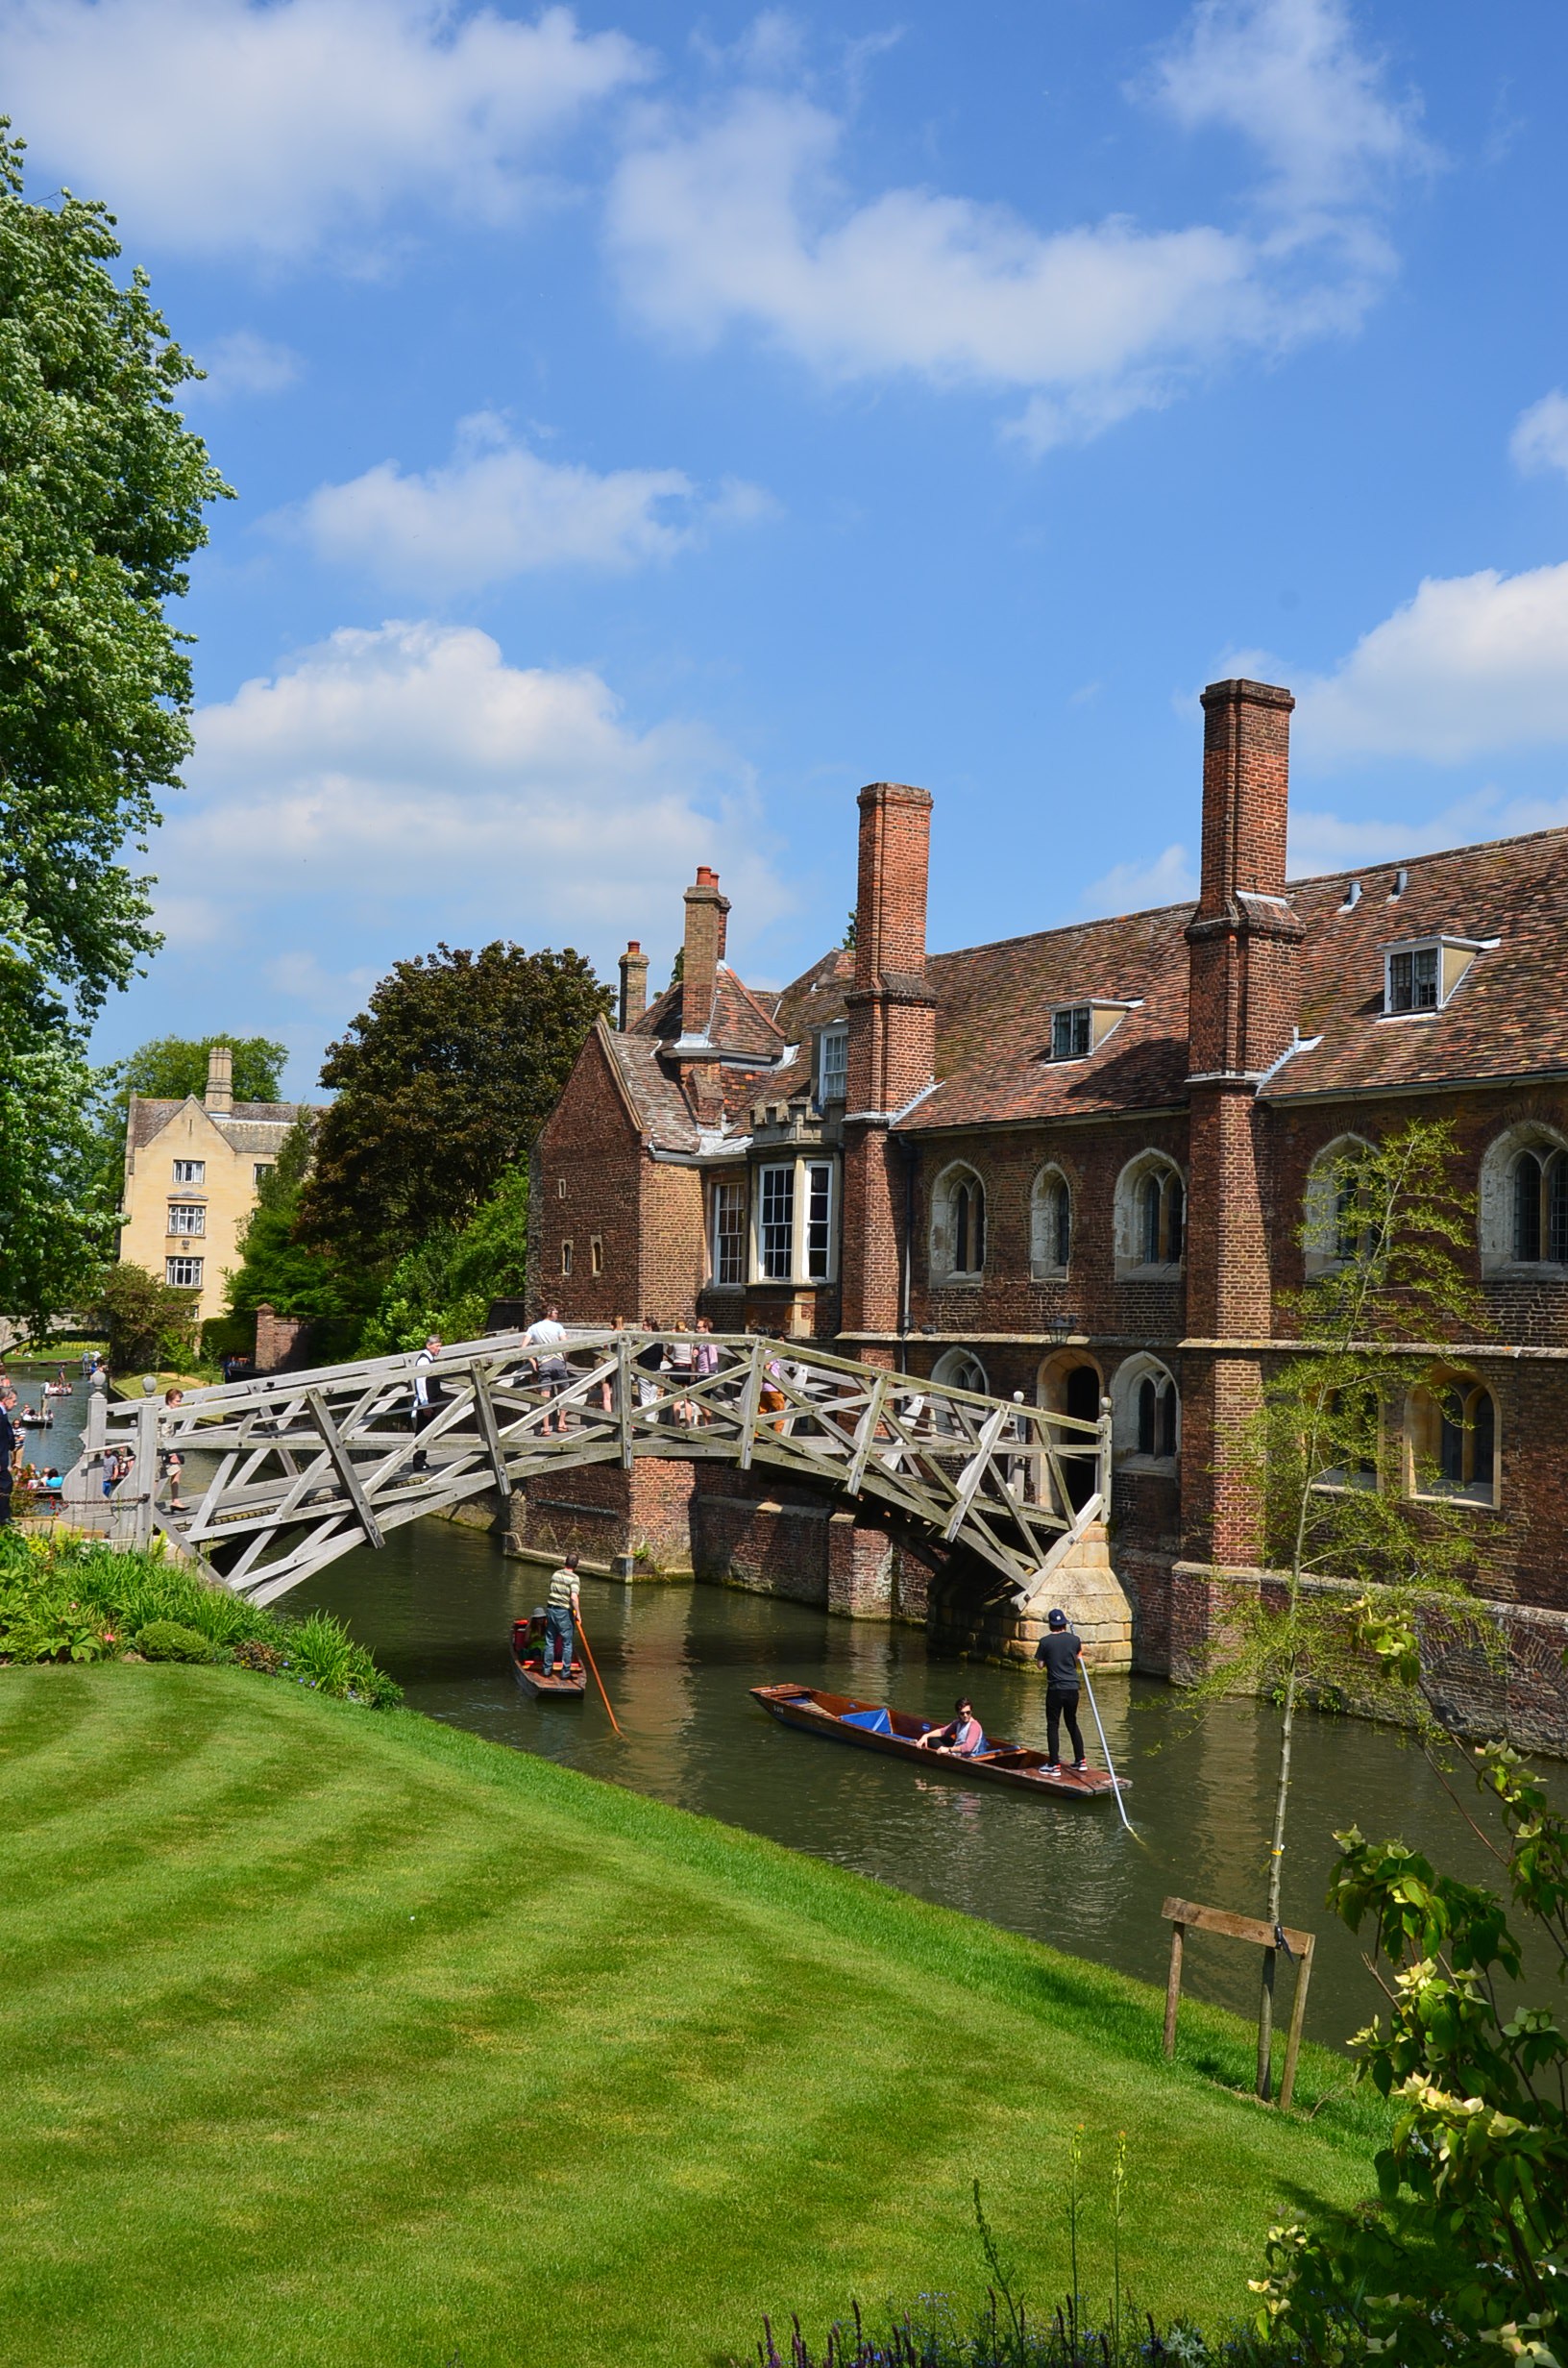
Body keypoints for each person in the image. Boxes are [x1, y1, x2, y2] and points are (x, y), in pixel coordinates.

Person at [1036, 1607, 1088, 1773]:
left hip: (1056, 1688)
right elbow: (1079, 1658)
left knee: (1053, 1724)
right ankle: (1081, 1760)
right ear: (1064, 1624)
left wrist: (1050, 1660)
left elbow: (1039, 1665)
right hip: (1073, 1687)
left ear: (1051, 1625)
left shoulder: (1045, 1642)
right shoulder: (1075, 1639)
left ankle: (1054, 1764)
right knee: (1072, 1722)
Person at [522, 1306, 572, 1435]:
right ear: (549, 1313)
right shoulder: (557, 1327)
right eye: (556, 1312)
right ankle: (561, 1423)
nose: (557, 1314)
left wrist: (533, 1362)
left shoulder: (533, 1328)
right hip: (558, 1362)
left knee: (545, 1397)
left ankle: (546, 1428)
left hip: (543, 1364)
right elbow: (567, 1346)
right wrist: (564, 1360)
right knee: (564, 1393)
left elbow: (523, 1347)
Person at [543, 1551, 580, 1679]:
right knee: (567, 1643)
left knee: (550, 1641)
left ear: (565, 1562)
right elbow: (574, 1598)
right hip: (564, 1613)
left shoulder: (555, 1574)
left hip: (551, 1610)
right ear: (576, 1566)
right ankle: (565, 1673)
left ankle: (547, 1670)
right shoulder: (574, 1578)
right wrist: (578, 1614)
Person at [411, 1335, 443, 1472]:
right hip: (426, 1402)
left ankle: (421, 1459)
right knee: (422, 1431)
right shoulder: (424, 1361)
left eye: (440, 1346)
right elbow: (421, 1383)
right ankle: (418, 1461)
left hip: (429, 1401)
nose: (439, 1349)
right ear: (429, 1346)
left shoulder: (429, 1359)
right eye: (437, 1346)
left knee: (426, 1430)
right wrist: (425, 1404)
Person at [919, 1696, 988, 1759]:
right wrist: (926, 1735)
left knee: (933, 1741)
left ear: (971, 1712)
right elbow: (943, 1731)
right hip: (957, 1750)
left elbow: (968, 1748)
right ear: (958, 1713)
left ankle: (946, 1753)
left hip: (968, 1756)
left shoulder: (974, 1726)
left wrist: (948, 1749)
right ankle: (944, 1751)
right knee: (932, 1738)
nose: (965, 1715)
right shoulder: (958, 1722)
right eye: (962, 1713)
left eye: (968, 1712)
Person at [161, 1388, 189, 1514]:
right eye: (177, 1401)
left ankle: (175, 1501)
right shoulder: (167, 1414)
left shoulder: (167, 1412)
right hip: (160, 1451)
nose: (180, 1403)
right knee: (154, 1479)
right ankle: (147, 1505)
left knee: (176, 1471)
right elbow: (164, 1435)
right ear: (169, 1400)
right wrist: (171, 1454)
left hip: (161, 1451)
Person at [635, 1320, 665, 1411]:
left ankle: (648, 1423)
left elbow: (637, 1355)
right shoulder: (659, 1341)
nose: (642, 1327)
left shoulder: (642, 1341)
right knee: (652, 1399)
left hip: (644, 1371)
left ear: (650, 1326)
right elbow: (660, 1356)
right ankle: (650, 1423)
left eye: (644, 1325)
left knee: (645, 1400)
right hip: (655, 1371)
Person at [0, 1388, 15, 1526]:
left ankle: (4, 1516)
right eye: (13, 1401)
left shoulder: (3, 1413)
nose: (15, 1404)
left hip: (3, 1458)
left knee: (6, 1485)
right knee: (6, 1484)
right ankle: (3, 1517)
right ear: (5, 1400)